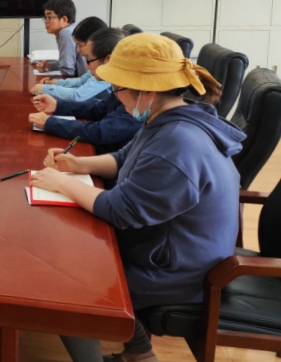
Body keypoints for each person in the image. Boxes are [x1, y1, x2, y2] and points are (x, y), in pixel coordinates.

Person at [28, 33, 244, 362]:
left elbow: (121, 210)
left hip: (179, 272)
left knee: (65, 285)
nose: (114, 95)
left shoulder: (177, 142)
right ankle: (140, 352)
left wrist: (62, 183)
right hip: (170, 249)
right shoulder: (169, 115)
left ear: (148, 91)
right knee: (71, 248)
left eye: (118, 88)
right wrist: (79, 165)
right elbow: (124, 157)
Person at [28, 28, 142, 155]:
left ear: (107, 60)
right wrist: (57, 105)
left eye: (89, 60)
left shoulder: (135, 95)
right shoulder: (120, 87)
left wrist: (50, 123)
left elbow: (100, 132)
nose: (87, 66)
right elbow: (96, 110)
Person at [30, 16, 110, 101]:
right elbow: (80, 81)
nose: (78, 50)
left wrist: (45, 89)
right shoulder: (97, 62)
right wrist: (56, 83)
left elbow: (77, 95)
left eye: (80, 45)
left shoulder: (105, 68)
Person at [33, 0, 85, 77]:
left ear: (64, 20)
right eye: (45, 17)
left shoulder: (66, 33)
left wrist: (53, 82)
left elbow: (68, 71)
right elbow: (69, 63)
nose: (45, 21)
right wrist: (50, 65)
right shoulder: (73, 29)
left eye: (49, 17)